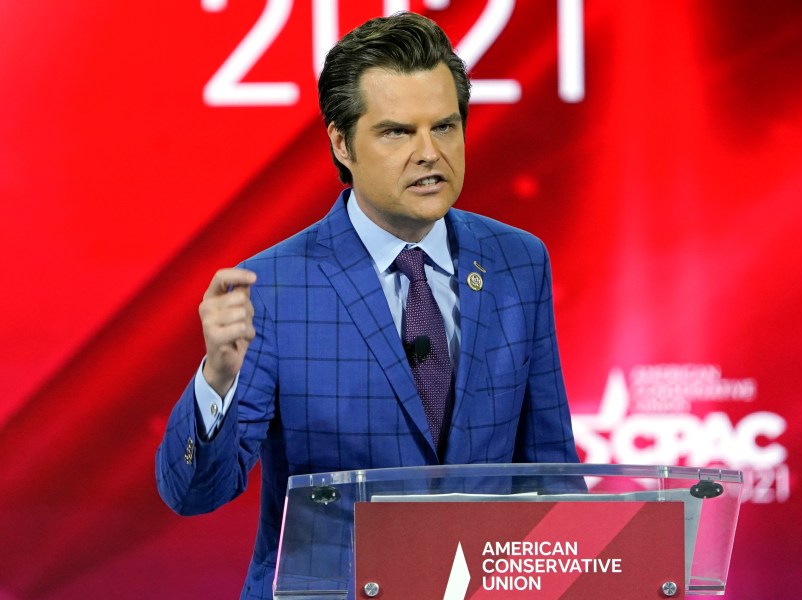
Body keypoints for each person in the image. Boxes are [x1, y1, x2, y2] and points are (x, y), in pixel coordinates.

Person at [156, 11, 578, 600]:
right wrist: (216, 381)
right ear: (340, 142)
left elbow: (552, 473)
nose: (430, 153)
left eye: (446, 127)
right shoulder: (275, 287)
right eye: (398, 132)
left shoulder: (516, 262)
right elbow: (195, 491)